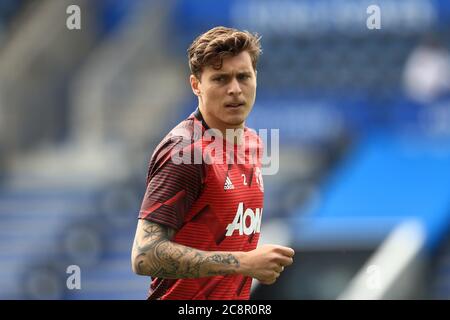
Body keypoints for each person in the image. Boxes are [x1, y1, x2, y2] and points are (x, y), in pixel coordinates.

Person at [131, 26, 294, 300]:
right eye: (220, 79)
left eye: (243, 76)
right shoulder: (185, 150)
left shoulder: (253, 142)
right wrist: (243, 263)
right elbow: (144, 255)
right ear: (196, 85)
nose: (234, 89)